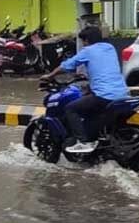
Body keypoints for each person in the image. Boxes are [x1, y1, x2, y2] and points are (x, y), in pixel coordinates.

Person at [41, 25, 130, 154]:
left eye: (83, 42)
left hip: (104, 96)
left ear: (87, 41)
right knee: (89, 103)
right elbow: (103, 70)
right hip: (122, 94)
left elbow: (67, 65)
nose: (83, 44)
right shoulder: (110, 48)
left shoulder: (88, 51)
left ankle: (81, 142)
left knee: (71, 108)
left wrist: (49, 76)